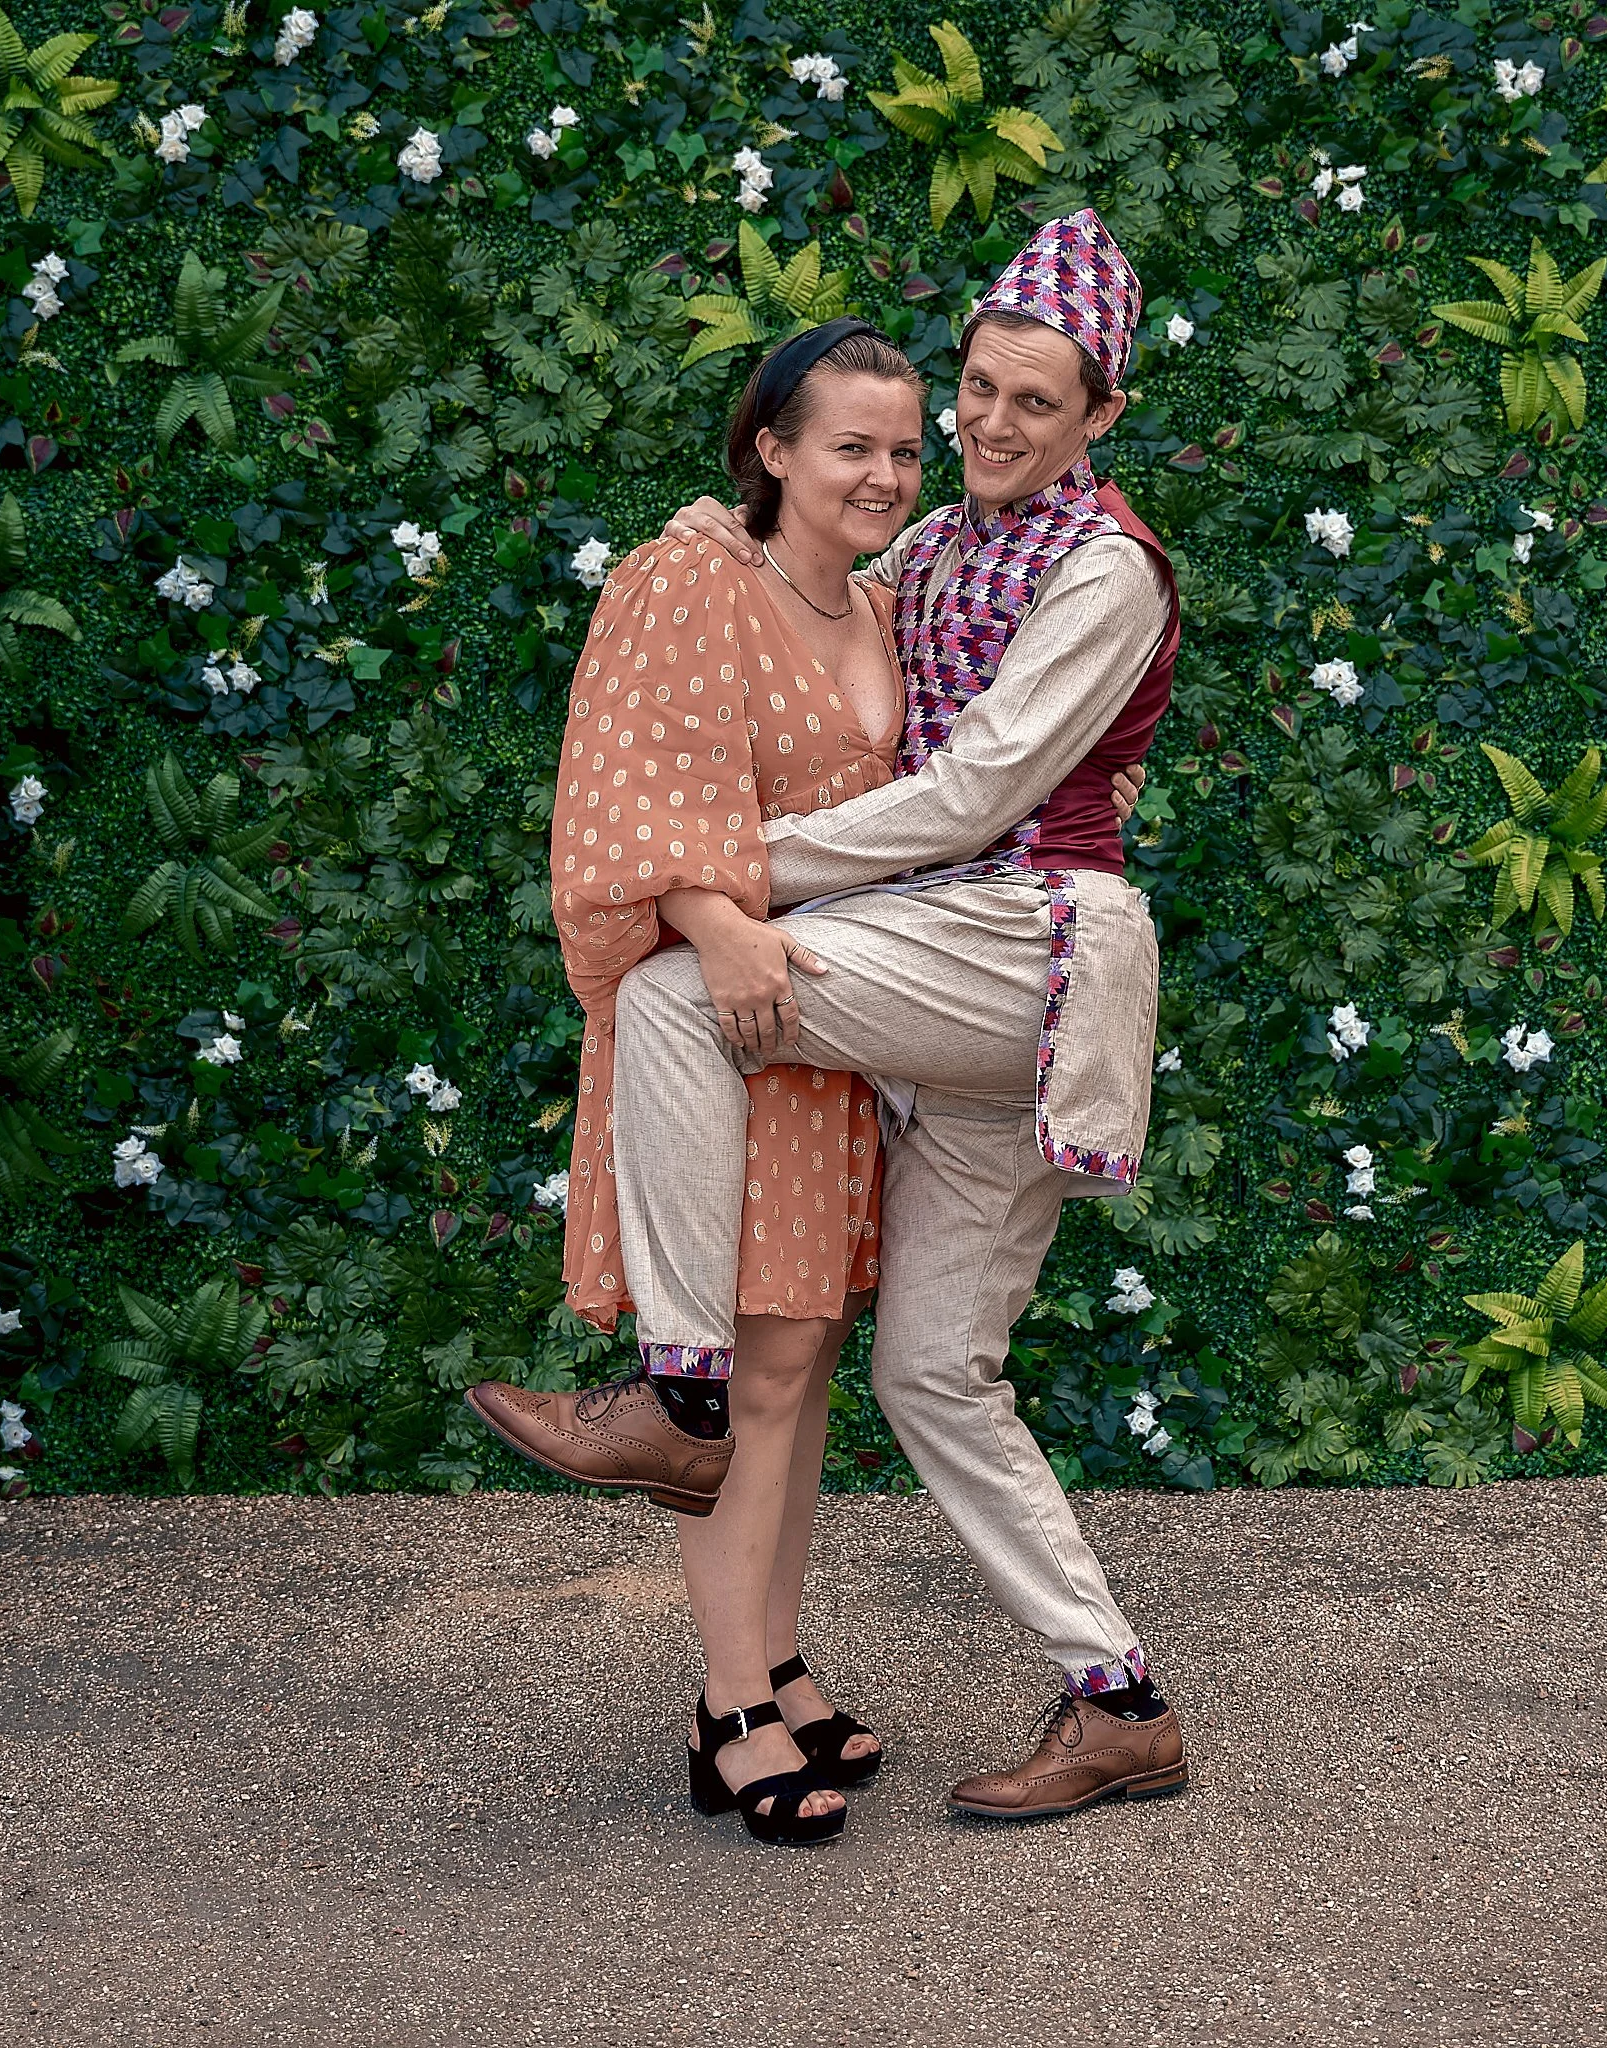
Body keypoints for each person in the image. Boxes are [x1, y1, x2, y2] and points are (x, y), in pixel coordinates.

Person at [472, 210, 1191, 1822]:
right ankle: (1120, 1702)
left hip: (1029, 944)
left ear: (1102, 415)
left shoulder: (1107, 569)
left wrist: (725, 876)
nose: (992, 425)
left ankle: (679, 1394)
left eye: (1037, 403)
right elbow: (804, 589)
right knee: (933, 1375)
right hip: (939, 972)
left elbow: (976, 793)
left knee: (678, 981)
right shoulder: (930, 552)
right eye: (977, 391)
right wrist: (723, 534)